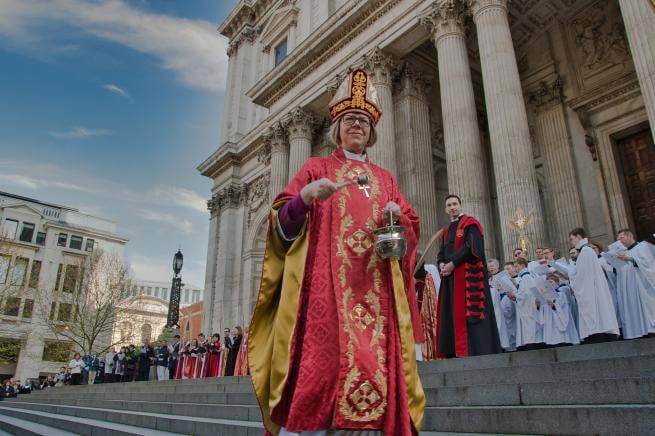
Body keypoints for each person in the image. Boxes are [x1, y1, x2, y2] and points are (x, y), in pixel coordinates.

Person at [249, 69, 424, 435]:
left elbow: (409, 227)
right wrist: (305, 197)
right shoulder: (317, 168)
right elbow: (279, 225)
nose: (356, 125)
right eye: (349, 120)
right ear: (338, 127)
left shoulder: (385, 178)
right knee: (325, 373)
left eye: (363, 120)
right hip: (326, 297)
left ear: (372, 131)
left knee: (375, 368)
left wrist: (399, 219)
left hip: (376, 296)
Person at [436, 194, 501, 358]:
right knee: (450, 314)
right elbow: (442, 251)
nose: (452, 207)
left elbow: (471, 248)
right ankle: (454, 351)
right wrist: (441, 264)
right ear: (445, 210)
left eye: (455, 204)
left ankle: (475, 350)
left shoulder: (470, 224)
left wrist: (453, 263)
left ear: (460, 205)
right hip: (451, 278)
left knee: (471, 315)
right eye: (449, 205)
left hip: (467, 278)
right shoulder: (446, 231)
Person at [568, 228, 619, 343]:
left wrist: (571, 273)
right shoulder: (586, 251)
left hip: (591, 290)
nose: (571, 242)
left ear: (578, 237)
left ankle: (597, 333)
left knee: (595, 313)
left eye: (572, 239)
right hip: (591, 288)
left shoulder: (585, 252)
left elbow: (582, 276)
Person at [612, 229, 655, 338]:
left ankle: (649, 330)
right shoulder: (623, 253)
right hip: (630, 289)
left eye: (621, 238)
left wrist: (631, 259)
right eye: (618, 239)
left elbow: (648, 264)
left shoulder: (643, 246)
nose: (619, 241)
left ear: (630, 236)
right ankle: (638, 331)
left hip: (643, 286)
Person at [513, 258, 543, 350]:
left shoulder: (526, 277)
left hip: (529, 310)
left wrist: (513, 294)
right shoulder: (525, 277)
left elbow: (524, 295)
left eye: (516, 266)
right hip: (527, 309)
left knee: (531, 333)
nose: (515, 269)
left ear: (522, 265)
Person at [488, 259, 516, 352]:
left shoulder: (504, 276)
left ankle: (511, 347)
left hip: (506, 300)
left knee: (508, 326)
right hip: (495, 304)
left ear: (497, 266)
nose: (490, 268)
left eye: (492, 266)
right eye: (489, 266)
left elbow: (510, 288)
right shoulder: (489, 280)